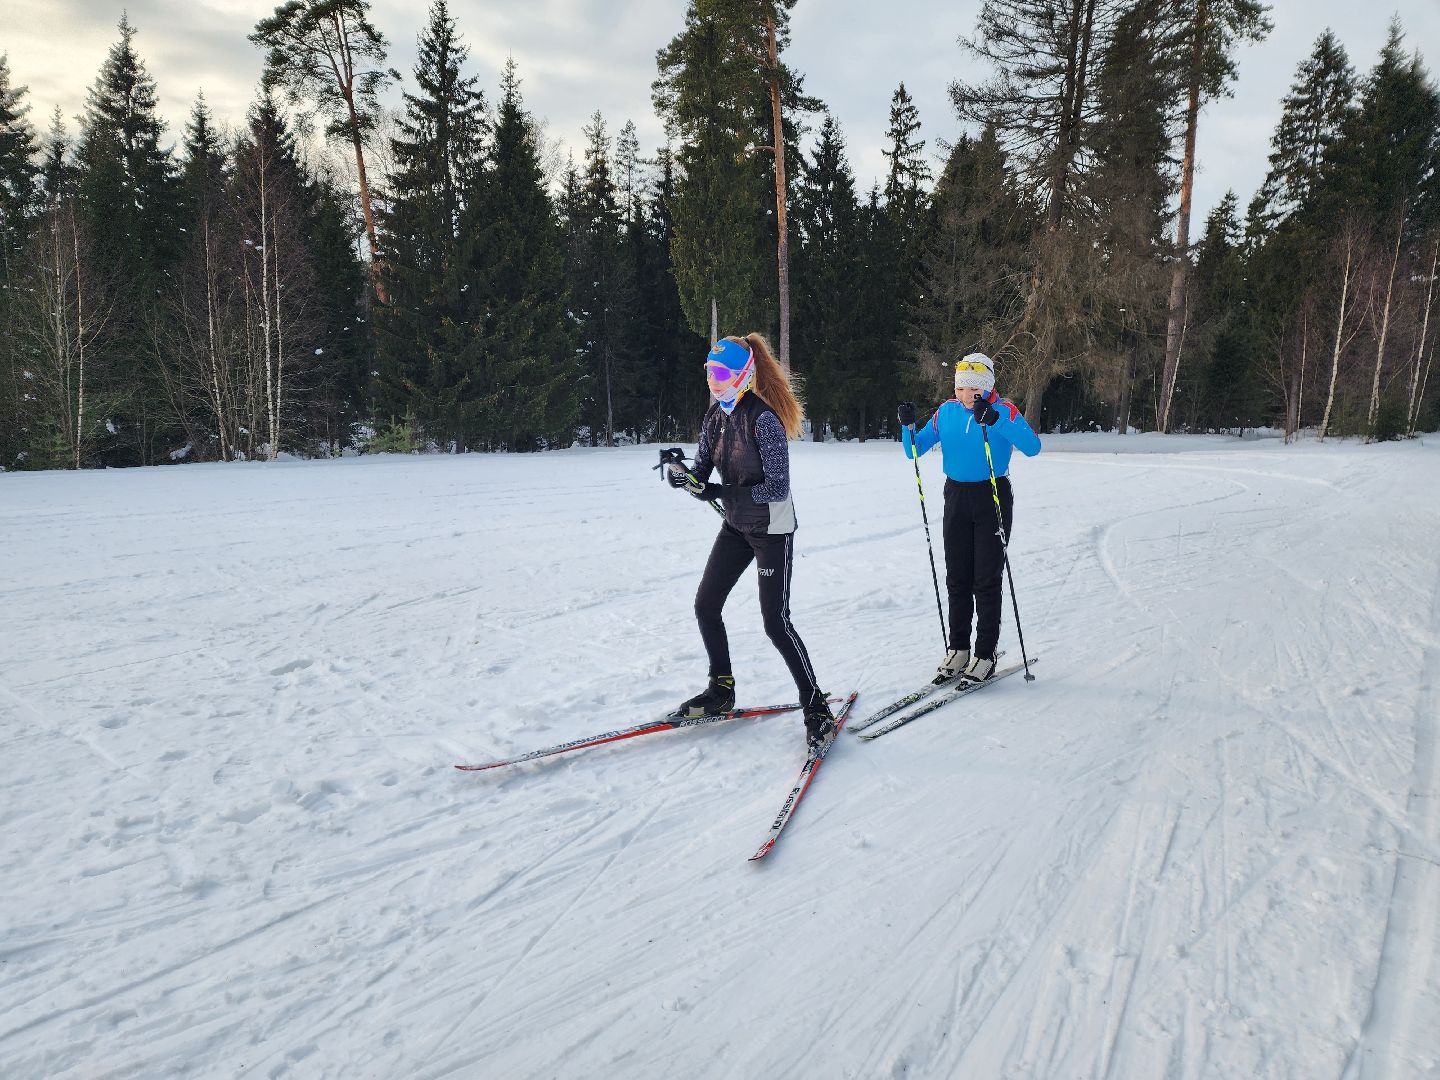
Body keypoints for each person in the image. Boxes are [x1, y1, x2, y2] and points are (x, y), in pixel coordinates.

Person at [665, 333, 835, 749]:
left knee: (775, 622)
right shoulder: (713, 419)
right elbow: (703, 473)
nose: (713, 380)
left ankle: (816, 707)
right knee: (706, 604)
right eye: (709, 372)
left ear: (743, 376)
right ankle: (721, 689)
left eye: (721, 373)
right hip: (738, 525)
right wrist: (685, 477)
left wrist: (718, 493)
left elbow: (777, 488)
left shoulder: (764, 420)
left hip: (773, 526)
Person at [897, 352, 1041, 683]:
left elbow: (1033, 447)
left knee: (986, 579)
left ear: (986, 388)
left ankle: (984, 653)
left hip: (992, 495)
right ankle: (958, 648)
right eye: (960, 388)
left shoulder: (1003, 410)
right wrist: (907, 425)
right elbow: (914, 450)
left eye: (972, 390)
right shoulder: (946, 413)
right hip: (956, 497)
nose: (965, 395)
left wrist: (996, 421)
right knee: (957, 577)